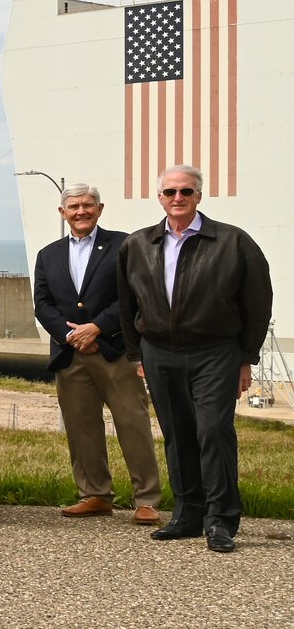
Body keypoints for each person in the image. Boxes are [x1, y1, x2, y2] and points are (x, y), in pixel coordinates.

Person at [120, 165, 272, 553]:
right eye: (170, 192)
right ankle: (188, 514)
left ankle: (220, 520)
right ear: (159, 198)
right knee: (177, 432)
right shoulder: (138, 245)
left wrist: (246, 357)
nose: (178, 198)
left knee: (213, 432)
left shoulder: (233, 242)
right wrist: (136, 352)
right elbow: (126, 303)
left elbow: (257, 303)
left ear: (199, 196)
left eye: (186, 191)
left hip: (215, 352)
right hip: (159, 352)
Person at [32, 183, 163, 526]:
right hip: (70, 353)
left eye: (88, 205)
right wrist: (71, 334)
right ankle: (95, 495)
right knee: (81, 427)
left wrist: (98, 328)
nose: (81, 211)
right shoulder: (48, 254)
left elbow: (135, 294)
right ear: (63, 213)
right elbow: (43, 305)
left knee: (132, 424)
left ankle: (147, 499)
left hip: (115, 350)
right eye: (73, 206)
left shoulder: (124, 244)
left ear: (100, 209)